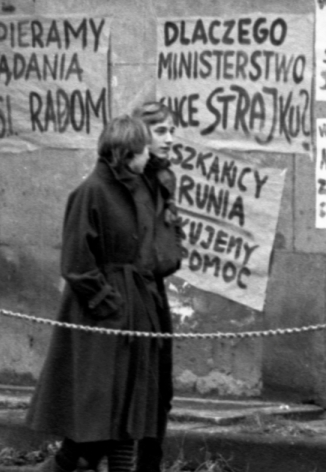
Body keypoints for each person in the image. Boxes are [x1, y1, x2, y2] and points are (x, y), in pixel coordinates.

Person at [27, 114, 182, 472]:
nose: (151, 155)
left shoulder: (143, 186)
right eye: (145, 148)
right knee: (104, 411)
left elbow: (153, 245)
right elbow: (77, 263)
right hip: (106, 317)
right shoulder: (91, 192)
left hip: (139, 307)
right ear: (129, 153)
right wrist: (110, 304)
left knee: (131, 409)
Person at [130, 101, 180, 472]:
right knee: (128, 387)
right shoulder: (123, 179)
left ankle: (150, 464)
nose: (170, 139)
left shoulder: (164, 177)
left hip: (155, 290)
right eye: (161, 131)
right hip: (129, 292)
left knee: (161, 389)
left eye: (172, 131)